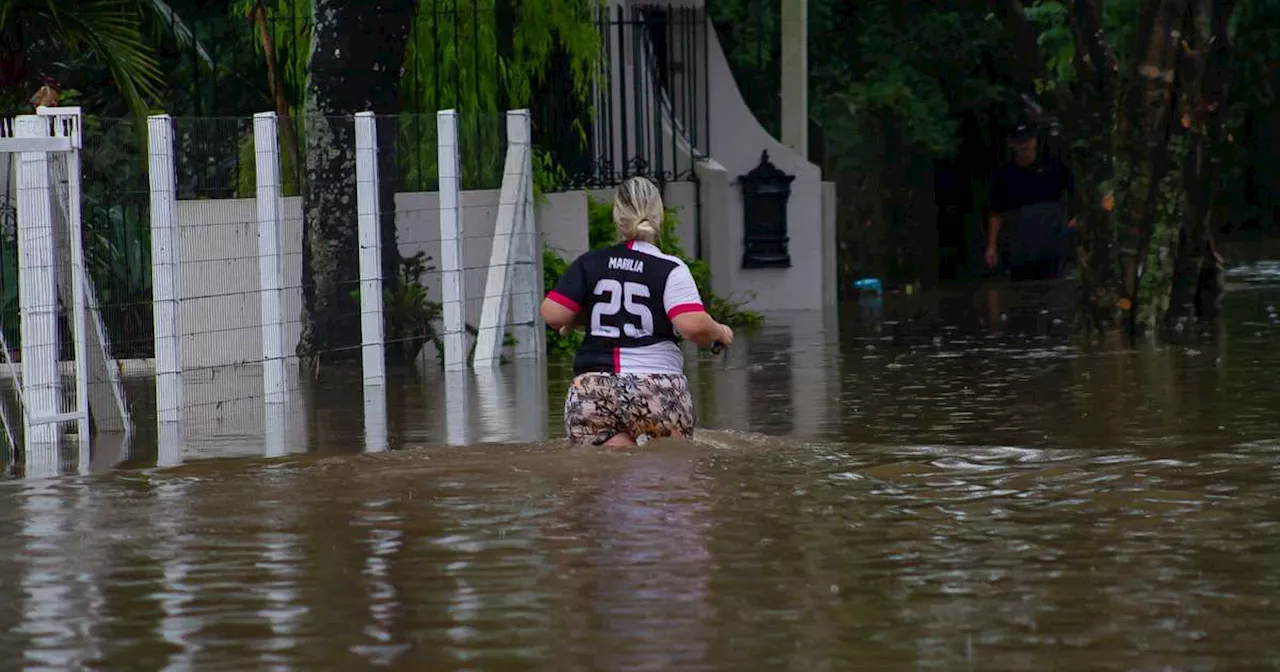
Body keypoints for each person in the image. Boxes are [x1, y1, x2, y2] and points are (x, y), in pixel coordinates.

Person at [540, 176, 734, 447]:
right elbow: (693, 326)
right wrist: (720, 331)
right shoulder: (669, 268)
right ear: (659, 216)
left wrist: (586, 316)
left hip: (593, 390)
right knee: (667, 476)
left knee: (610, 474)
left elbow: (553, 315)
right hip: (655, 388)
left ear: (617, 217)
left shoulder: (590, 263)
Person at [985, 117, 1077, 281]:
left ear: (1034, 140)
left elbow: (1074, 191)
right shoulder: (1004, 175)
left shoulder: (1053, 166)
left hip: (1053, 246)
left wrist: (1075, 217)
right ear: (1011, 144)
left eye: (1027, 140)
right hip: (1020, 250)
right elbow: (996, 212)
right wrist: (991, 247)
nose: (1024, 146)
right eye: (1019, 142)